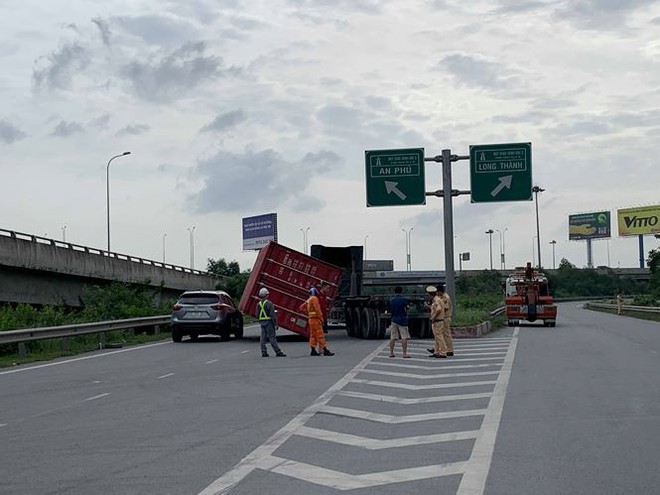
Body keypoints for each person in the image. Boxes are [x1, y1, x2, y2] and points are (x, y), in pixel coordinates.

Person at [299, 287, 335, 356]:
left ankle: (313, 350)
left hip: (311, 320)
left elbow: (301, 307)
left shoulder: (309, 300)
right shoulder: (315, 299)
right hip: (316, 320)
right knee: (320, 335)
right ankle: (325, 350)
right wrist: (322, 319)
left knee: (313, 336)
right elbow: (318, 310)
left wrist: (309, 313)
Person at [256, 287, 285, 357]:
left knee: (263, 338)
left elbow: (257, 314)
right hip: (269, 322)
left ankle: (264, 352)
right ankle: (278, 352)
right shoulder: (269, 303)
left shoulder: (258, 304)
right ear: (266, 295)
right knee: (272, 338)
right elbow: (273, 315)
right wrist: (276, 324)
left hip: (262, 323)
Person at [388, 286, 411, 358]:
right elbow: (406, 308)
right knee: (404, 337)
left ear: (394, 292)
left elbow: (390, 309)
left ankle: (391, 353)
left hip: (394, 319)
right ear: (401, 291)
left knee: (393, 337)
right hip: (402, 320)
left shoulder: (391, 300)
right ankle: (404, 353)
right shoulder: (403, 300)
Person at [426, 285, 447, 358]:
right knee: (437, 337)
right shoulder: (436, 299)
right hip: (437, 321)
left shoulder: (437, 300)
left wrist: (433, 317)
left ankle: (443, 352)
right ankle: (437, 351)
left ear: (430, 294)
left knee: (439, 337)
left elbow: (438, 309)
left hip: (438, 321)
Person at [438, 284, 454, 356]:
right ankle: (440, 348)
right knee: (441, 334)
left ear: (440, 291)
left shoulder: (445, 297)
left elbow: (445, 307)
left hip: (445, 317)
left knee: (446, 334)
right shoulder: (442, 296)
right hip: (443, 318)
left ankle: (449, 350)